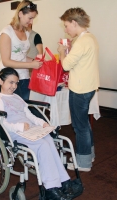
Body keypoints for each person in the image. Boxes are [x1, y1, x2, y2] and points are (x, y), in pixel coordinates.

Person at [0, 67, 82, 200]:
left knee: (50, 141)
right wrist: (19, 126)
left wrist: (42, 123)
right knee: (43, 145)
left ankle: (64, 180)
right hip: (15, 132)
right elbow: (2, 123)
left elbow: (29, 115)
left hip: (30, 129)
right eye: (10, 82)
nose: (14, 86)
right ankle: (51, 188)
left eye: (16, 83)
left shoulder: (17, 97)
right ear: (1, 81)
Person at [57, 8, 100, 172]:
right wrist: (68, 49)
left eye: (67, 25)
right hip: (88, 86)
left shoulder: (82, 41)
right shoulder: (89, 38)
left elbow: (66, 65)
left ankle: (83, 163)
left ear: (74, 23)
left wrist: (61, 52)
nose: (66, 29)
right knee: (85, 125)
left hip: (80, 89)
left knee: (80, 126)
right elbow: (78, 60)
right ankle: (89, 155)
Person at [0, 0, 43, 100]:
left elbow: (21, 56)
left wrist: (34, 61)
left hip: (24, 76)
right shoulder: (7, 32)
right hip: (10, 78)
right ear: (20, 14)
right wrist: (31, 65)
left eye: (33, 19)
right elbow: (6, 61)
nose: (31, 22)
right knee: (13, 110)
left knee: (24, 107)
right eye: (30, 18)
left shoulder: (26, 33)